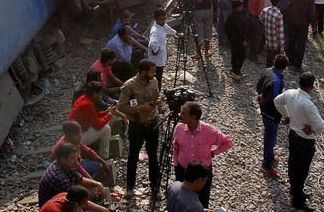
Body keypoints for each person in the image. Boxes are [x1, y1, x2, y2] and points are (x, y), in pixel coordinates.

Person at [275, 73, 324, 212]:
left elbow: (277, 102)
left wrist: (287, 116)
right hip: (304, 140)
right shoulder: (308, 105)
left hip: (293, 135)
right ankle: (298, 199)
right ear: (311, 86)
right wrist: (313, 131)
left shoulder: (290, 93)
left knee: (293, 164)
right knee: (302, 170)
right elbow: (320, 125)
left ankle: (294, 190)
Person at [118, 59, 167, 197]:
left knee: (153, 156)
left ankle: (154, 186)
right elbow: (121, 107)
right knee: (133, 156)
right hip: (137, 126)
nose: (154, 73)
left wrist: (159, 104)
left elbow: (157, 95)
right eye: (152, 71)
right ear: (143, 72)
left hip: (152, 123)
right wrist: (141, 108)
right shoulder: (129, 86)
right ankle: (130, 186)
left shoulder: (154, 82)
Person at [172, 102, 233, 208]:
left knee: (202, 203)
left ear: (193, 117)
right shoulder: (179, 128)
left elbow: (228, 142)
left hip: (201, 175)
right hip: (182, 170)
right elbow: (176, 147)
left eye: (184, 113)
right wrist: (176, 163)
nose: (180, 115)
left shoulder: (209, 131)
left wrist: (214, 152)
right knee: (182, 200)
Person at [37, 143, 108, 210]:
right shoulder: (58, 177)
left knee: (92, 187)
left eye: (76, 157)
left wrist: (98, 184)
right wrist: (102, 209)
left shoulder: (65, 165)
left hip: (65, 197)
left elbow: (81, 179)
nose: (76, 160)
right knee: (85, 204)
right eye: (72, 158)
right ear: (63, 159)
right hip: (54, 207)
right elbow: (74, 198)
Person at [68, 82, 124, 158]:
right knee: (106, 129)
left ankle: (100, 144)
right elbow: (98, 125)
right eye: (100, 94)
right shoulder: (87, 104)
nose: (101, 97)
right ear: (94, 94)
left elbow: (93, 116)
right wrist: (110, 114)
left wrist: (106, 112)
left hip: (79, 131)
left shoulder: (84, 98)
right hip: (77, 138)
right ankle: (104, 155)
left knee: (107, 121)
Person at [257, 54, 289, 179]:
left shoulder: (267, 71)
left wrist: (260, 96)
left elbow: (259, 85)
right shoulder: (277, 81)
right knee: (270, 138)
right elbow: (276, 101)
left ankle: (269, 156)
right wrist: (285, 115)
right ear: (285, 67)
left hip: (264, 110)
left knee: (269, 136)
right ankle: (266, 164)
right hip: (271, 114)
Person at [286, 0, 316, 70]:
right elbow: (311, 13)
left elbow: (289, 5)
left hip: (291, 20)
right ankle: (297, 64)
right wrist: (314, 26)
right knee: (301, 43)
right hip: (303, 23)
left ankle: (290, 59)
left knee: (292, 40)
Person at [149, 8, 182, 87]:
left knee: (159, 74)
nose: (163, 21)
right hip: (156, 58)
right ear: (156, 19)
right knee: (157, 76)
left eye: (164, 19)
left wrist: (177, 34)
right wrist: (156, 50)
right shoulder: (155, 30)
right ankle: (156, 92)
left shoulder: (162, 25)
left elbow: (168, 29)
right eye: (161, 19)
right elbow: (152, 43)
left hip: (161, 55)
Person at [224, 0, 251, 78]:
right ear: (239, 7)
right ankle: (237, 71)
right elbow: (243, 30)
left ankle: (233, 70)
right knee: (242, 56)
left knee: (234, 55)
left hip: (232, 40)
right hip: (240, 40)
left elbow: (226, 28)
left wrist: (230, 37)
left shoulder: (230, 16)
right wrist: (245, 39)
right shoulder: (241, 18)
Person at [261, 0, 285, 67]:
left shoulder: (265, 10)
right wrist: (282, 48)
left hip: (268, 40)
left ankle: (267, 75)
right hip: (276, 44)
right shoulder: (279, 15)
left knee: (268, 62)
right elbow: (280, 34)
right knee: (275, 64)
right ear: (279, 2)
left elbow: (261, 19)